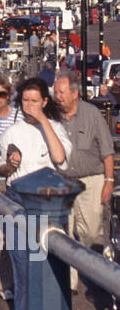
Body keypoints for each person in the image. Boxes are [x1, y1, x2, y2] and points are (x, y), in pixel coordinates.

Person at [0, 78, 72, 310]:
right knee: (23, 269)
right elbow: (1, 171)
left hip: (48, 203)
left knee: (49, 268)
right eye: (25, 101)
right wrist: (10, 164)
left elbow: (60, 160)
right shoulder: (11, 133)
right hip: (18, 201)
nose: (29, 106)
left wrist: (43, 121)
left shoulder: (56, 128)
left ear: (45, 101)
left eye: (35, 101)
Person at [53, 70, 114, 258]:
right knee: (64, 234)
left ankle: (90, 271)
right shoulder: (52, 117)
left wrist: (109, 181)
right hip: (62, 182)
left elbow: (107, 151)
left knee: (91, 233)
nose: (57, 96)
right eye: (55, 92)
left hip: (91, 182)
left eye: (61, 93)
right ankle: (70, 285)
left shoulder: (92, 114)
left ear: (75, 94)